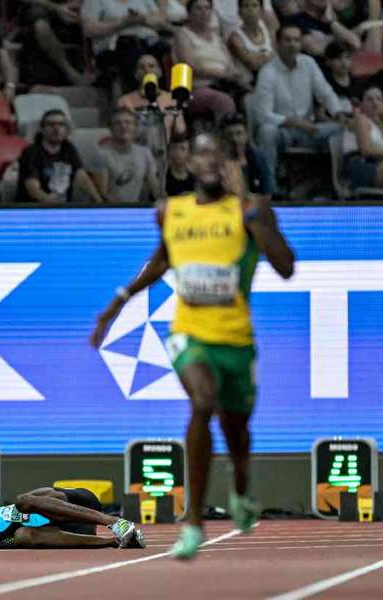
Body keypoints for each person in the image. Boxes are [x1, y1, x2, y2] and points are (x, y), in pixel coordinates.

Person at [91, 133, 295, 559]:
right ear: (189, 162)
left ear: (228, 164)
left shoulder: (249, 211)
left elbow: (287, 267)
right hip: (189, 333)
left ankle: (240, 491)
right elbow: (162, 260)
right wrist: (116, 305)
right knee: (202, 403)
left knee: (238, 433)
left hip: (236, 340)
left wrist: (255, 216)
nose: (208, 162)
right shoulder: (171, 211)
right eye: (200, 153)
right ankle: (195, 524)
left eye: (216, 155)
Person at [0, 469, 145, 549]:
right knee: (23, 534)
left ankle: (115, 523)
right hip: (72, 530)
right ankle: (118, 538)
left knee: (24, 501)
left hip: (77, 504)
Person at [252, 24, 344, 184]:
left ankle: (336, 185)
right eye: (287, 40)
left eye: (296, 40)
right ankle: (269, 188)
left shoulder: (309, 63)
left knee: (341, 128)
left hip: (309, 130)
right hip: (283, 132)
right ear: (278, 43)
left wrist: (338, 113)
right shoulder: (267, 72)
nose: (292, 44)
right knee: (267, 132)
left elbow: (326, 93)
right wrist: (293, 122)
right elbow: (263, 115)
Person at [17, 108, 104, 203]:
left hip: (62, 209)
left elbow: (82, 177)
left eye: (61, 125)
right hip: (35, 209)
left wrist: (99, 201)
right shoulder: (31, 152)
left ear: (66, 129)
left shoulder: (68, 148)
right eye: (51, 125)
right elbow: (32, 188)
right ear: (42, 129)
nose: (57, 129)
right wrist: (51, 203)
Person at [91, 107, 159, 202]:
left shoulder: (145, 153)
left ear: (135, 127)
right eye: (118, 123)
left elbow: (154, 186)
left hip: (135, 209)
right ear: (111, 129)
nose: (123, 126)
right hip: (111, 210)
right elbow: (102, 195)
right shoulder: (101, 155)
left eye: (128, 122)